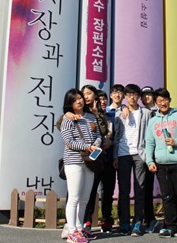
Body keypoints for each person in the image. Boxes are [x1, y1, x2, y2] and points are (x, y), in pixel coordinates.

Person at [145, 88, 177, 241]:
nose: (162, 103)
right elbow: (149, 143)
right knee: (167, 197)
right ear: (155, 103)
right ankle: (171, 226)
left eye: (165, 100)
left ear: (169, 100)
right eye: (159, 101)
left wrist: (176, 142)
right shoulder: (153, 121)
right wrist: (150, 161)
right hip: (161, 165)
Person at [59, 89, 102, 243]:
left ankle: (80, 228)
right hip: (74, 161)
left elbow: (97, 136)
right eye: (75, 99)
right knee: (74, 198)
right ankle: (71, 232)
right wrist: (87, 147)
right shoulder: (67, 119)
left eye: (80, 98)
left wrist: (96, 145)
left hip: (90, 161)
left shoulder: (90, 116)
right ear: (69, 103)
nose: (79, 101)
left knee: (84, 199)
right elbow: (69, 142)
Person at [112, 84, 151, 236]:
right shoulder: (119, 113)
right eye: (129, 95)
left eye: (135, 94)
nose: (132, 97)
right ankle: (124, 223)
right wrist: (115, 155)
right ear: (125, 97)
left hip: (140, 154)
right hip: (123, 154)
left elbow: (149, 136)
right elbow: (116, 135)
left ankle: (137, 223)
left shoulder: (146, 113)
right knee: (124, 191)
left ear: (138, 96)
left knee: (140, 190)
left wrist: (149, 156)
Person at [79, 85, 116, 234]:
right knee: (90, 192)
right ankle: (87, 220)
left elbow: (108, 133)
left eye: (104, 99)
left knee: (108, 193)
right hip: (93, 161)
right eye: (99, 99)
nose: (101, 102)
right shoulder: (84, 114)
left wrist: (110, 142)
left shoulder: (108, 117)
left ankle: (106, 220)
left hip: (107, 161)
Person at [139, 86, 161, 233]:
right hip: (146, 154)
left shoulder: (161, 111)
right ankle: (149, 218)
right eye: (144, 95)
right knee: (146, 188)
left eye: (149, 94)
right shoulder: (139, 112)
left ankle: (173, 219)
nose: (147, 97)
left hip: (162, 153)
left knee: (167, 188)